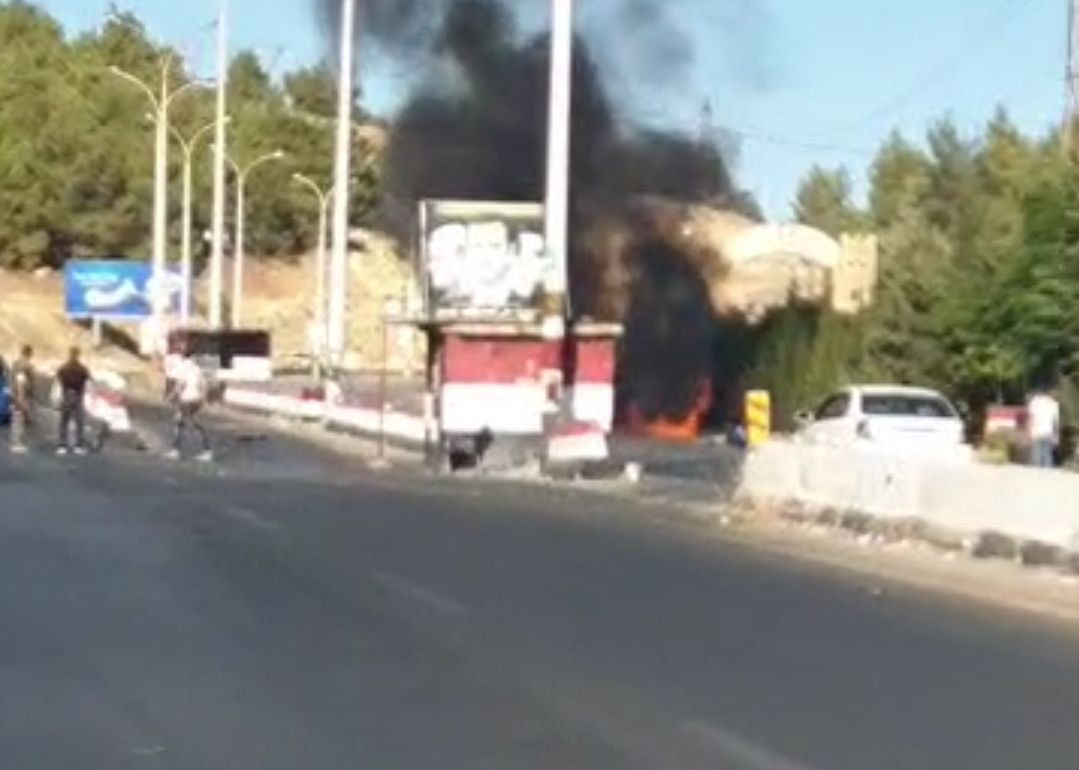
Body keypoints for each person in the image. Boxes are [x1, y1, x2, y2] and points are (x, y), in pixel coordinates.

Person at [167, 349, 212, 462]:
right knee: (195, 424)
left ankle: (175, 450)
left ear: (184, 357)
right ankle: (206, 451)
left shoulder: (184, 368)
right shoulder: (198, 369)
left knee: (180, 423)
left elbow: (181, 384)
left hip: (187, 399)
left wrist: (172, 395)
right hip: (196, 400)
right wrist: (203, 399)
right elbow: (205, 385)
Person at [55, 347, 91, 456]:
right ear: (78, 355)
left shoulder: (63, 368)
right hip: (78, 396)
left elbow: (58, 381)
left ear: (69, 354)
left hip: (66, 395)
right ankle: (78, 446)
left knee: (64, 421)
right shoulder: (82, 369)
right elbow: (87, 381)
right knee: (79, 422)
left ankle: (62, 445)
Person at [10, 345, 35, 454]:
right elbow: (21, 380)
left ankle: (16, 442)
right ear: (29, 353)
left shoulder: (16, 363)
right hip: (23, 395)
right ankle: (18, 443)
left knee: (17, 418)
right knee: (21, 419)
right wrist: (22, 397)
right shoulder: (25, 365)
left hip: (16, 394)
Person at [1027, 386, 1061, 469]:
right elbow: (1055, 422)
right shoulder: (1053, 403)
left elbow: (1031, 418)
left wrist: (1029, 431)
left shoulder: (1034, 402)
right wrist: (1056, 436)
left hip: (1036, 432)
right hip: (1048, 433)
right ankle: (1047, 478)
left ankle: (1037, 478)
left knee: (1036, 457)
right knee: (1048, 456)